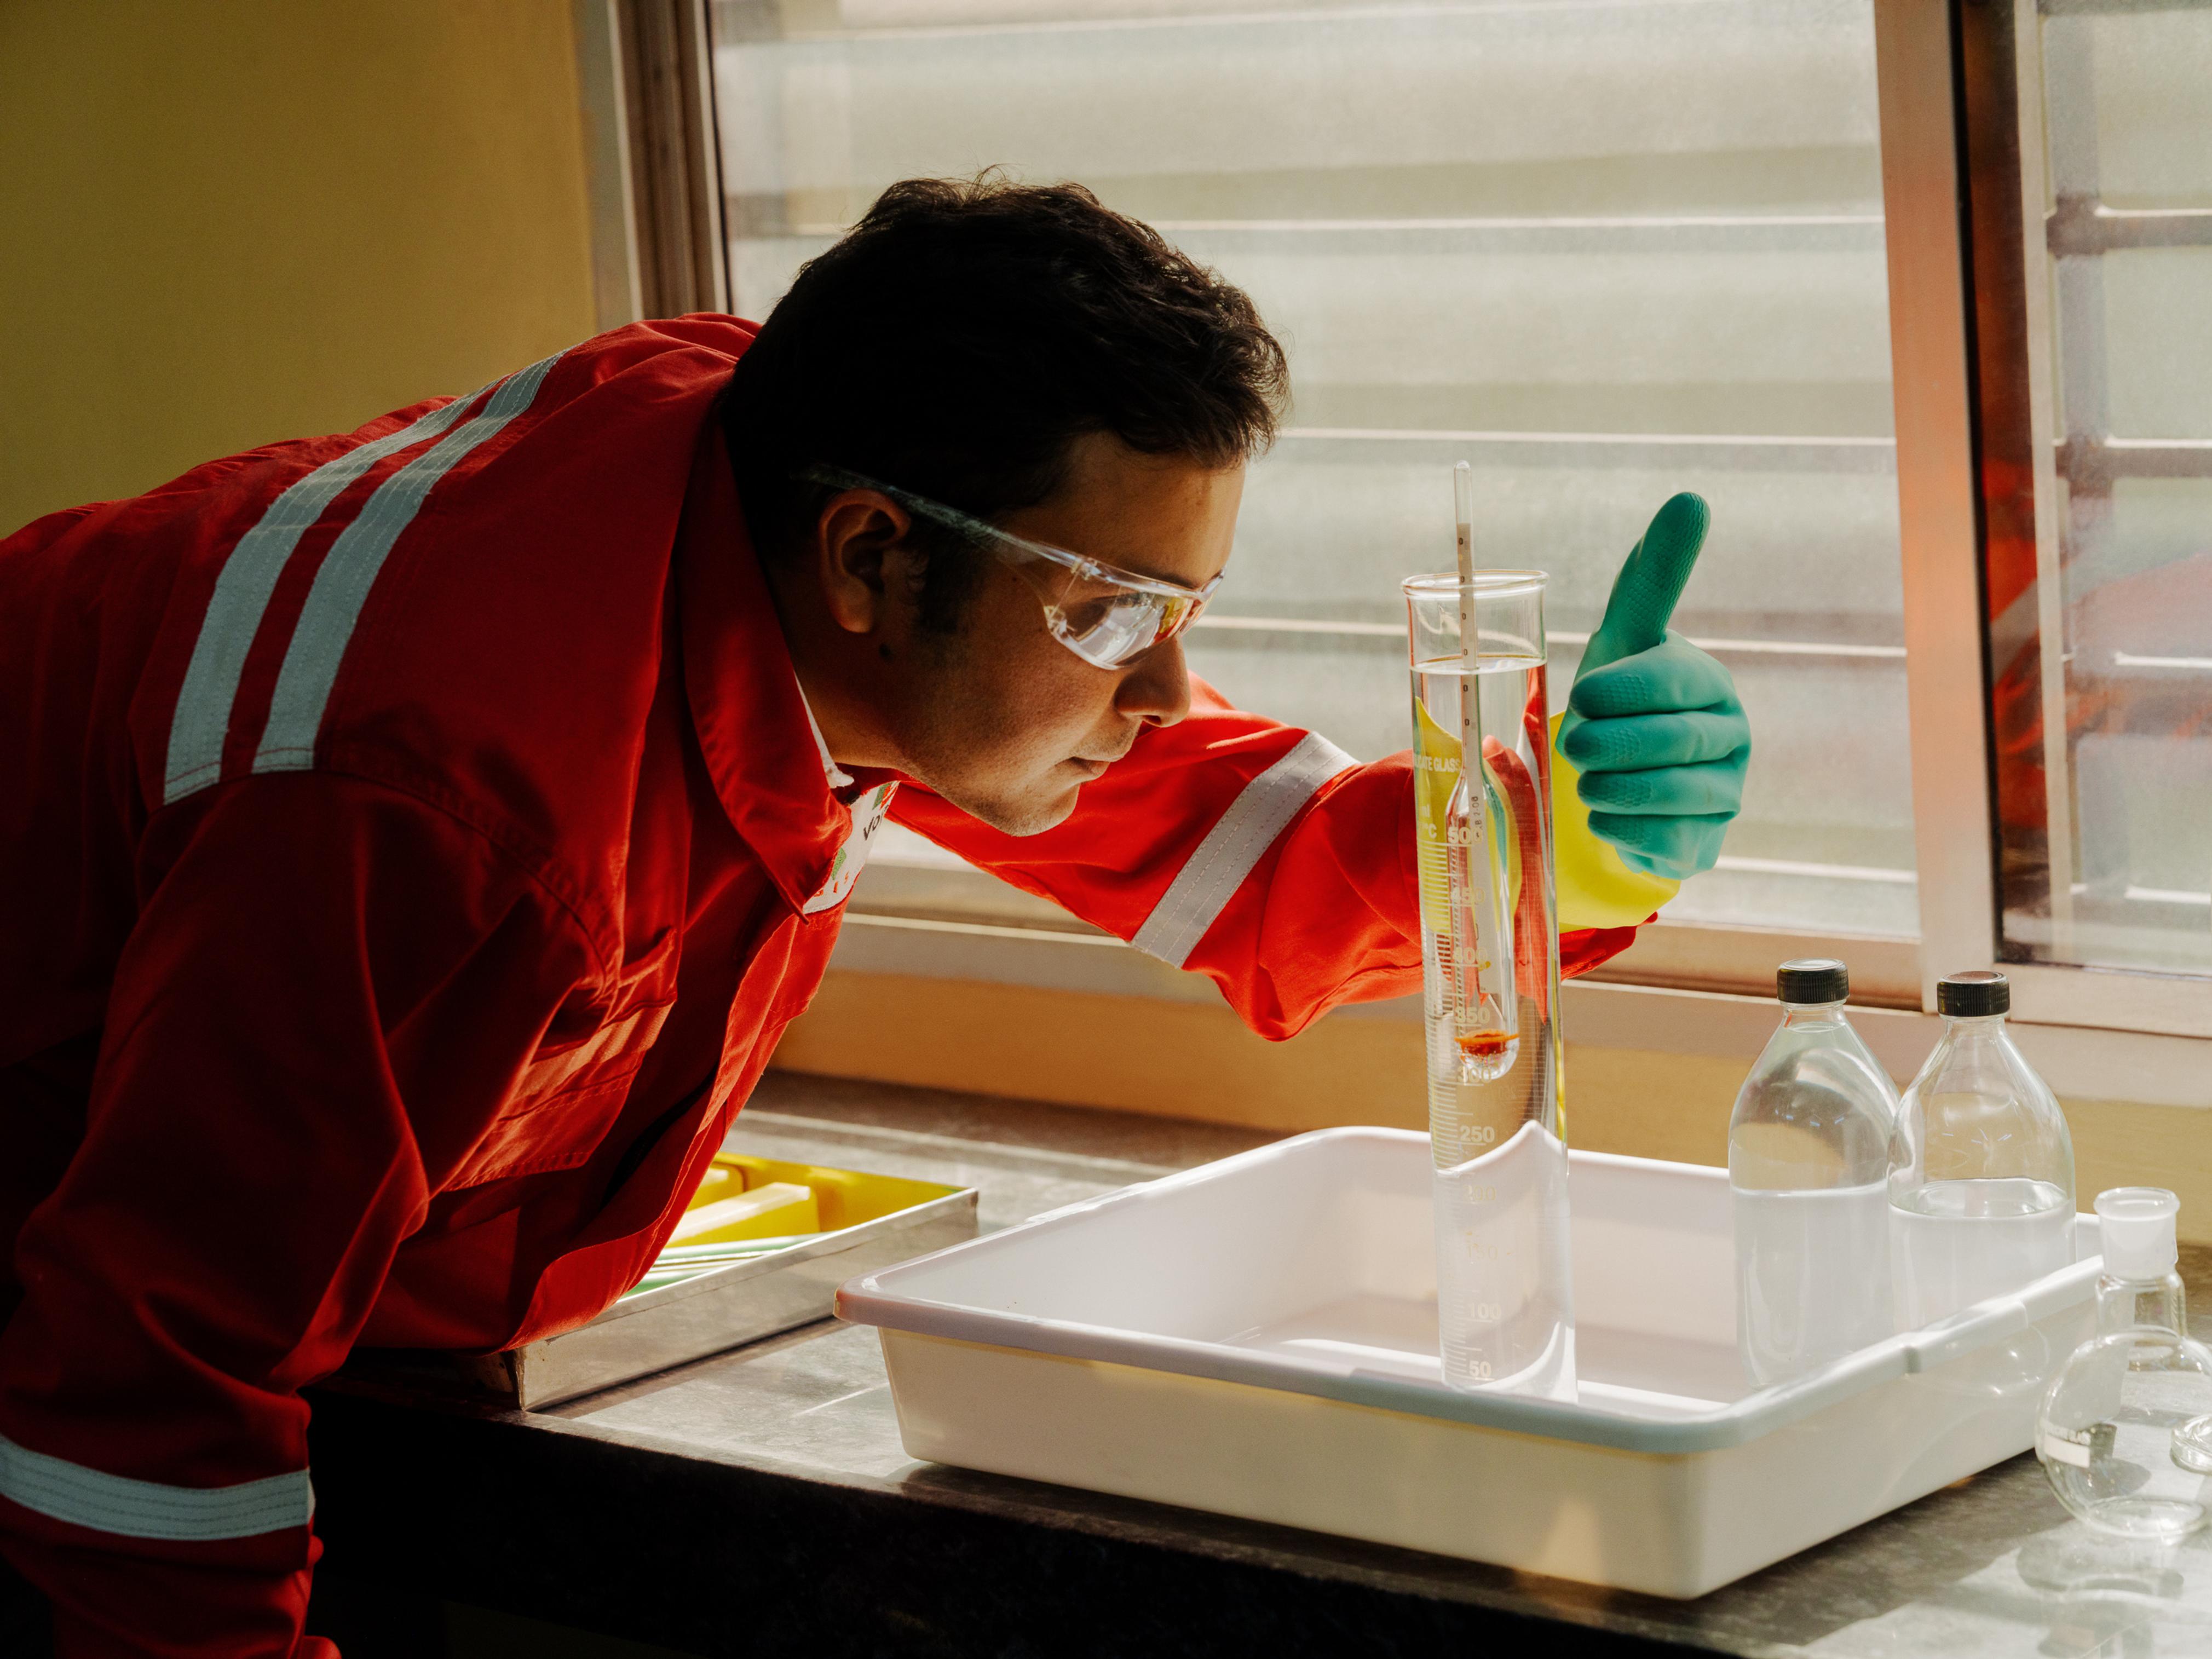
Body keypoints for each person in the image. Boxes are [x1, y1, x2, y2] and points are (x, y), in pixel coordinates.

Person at [0, 176, 1749, 1655]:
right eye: (1116, 612)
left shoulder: (784, 504)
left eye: (1181, 602)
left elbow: (1239, 842)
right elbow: (142, 1390)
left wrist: (1553, 846)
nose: (1162, 687)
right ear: (867, 564)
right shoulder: (454, 801)